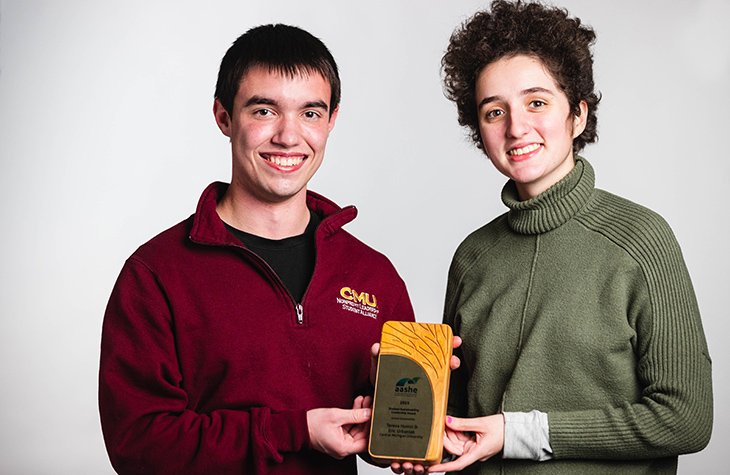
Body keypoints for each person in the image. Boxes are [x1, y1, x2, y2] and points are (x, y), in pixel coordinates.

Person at [98, 24, 417, 475]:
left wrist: (402, 422)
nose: (289, 137)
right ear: (224, 117)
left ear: (331, 121)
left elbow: (389, 438)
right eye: (265, 110)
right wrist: (294, 431)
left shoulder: (372, 274)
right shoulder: (155, 274)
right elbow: (139, 445)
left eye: (310, 113)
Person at [423, 1, 713, 473]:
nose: (517, 127)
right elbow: (458, 425)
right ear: (480, 130)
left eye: (536, 102)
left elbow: (686, 418)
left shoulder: (641, 241)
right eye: (495, 111)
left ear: (577, 114)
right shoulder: (472, 257)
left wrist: (520, 433)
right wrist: (411, 423)